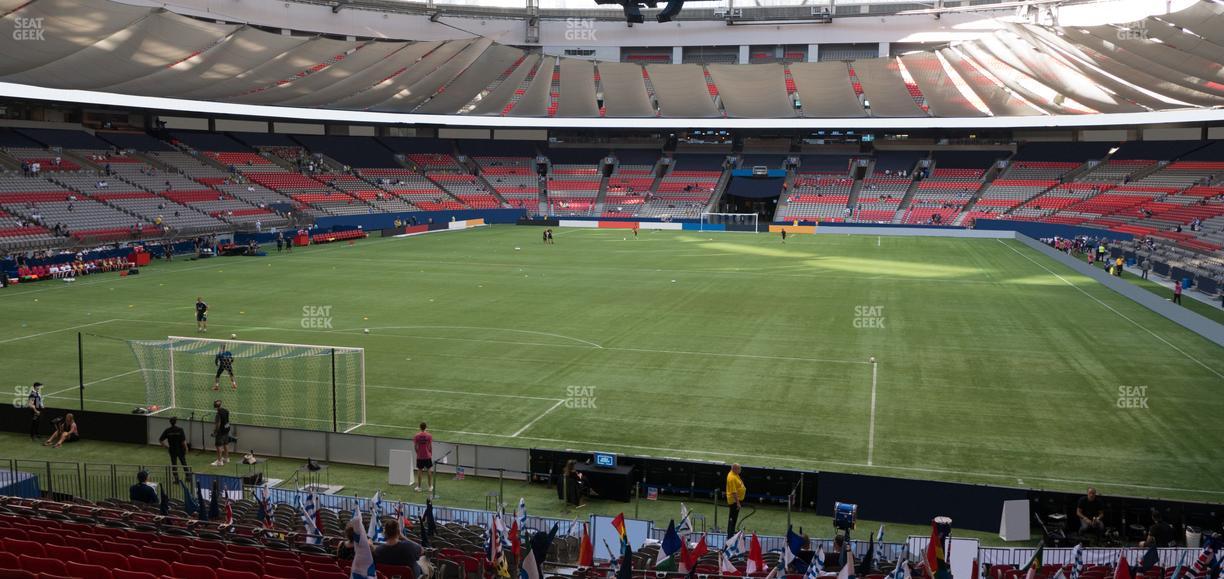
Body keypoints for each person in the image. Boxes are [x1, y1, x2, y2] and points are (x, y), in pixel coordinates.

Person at [159, 416, 189, 481]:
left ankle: (176, 479)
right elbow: (183, 441)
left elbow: (160, 440)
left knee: (174, 465)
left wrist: (166, 446)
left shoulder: (167, 430)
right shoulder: (180, 429)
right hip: (180, 449)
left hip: (172, 450)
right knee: (184, 463)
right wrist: (186, 448)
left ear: (170, 422)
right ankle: (188, 477)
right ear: (176, 422)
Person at [725, 463, 746, 538]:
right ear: (734, 469)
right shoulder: (731, 478)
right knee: (732, 519)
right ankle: (730, 535)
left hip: (736, 501)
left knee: (734, 518)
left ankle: (731, 532)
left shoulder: (734, 474)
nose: (740, 470)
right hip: (734, 502)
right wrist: (738, 503)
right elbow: (734, 492)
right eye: (739, 469)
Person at [413, 423, 434, 493]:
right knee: (429, 470)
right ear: (426, 427)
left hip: (419, 456)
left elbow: (415, 447)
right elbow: (430, 446)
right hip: (427, 456)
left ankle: (419, 487)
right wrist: (430, 453)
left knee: (419, 471)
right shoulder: (429, 436)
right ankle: (430, 487)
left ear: (420, 427)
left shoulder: (416, 436)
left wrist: (418, 453)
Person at [211, 400, 231, 466]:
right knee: (226, 444)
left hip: (221, 431)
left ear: (215, 407)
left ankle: (219, 461)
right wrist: (226, 428)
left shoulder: (218, 414)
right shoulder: (226, 411)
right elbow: (227, 421)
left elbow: (218, 424)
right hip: (227, 429)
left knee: (218, 445)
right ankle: (226, 458)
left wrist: (215, 432)